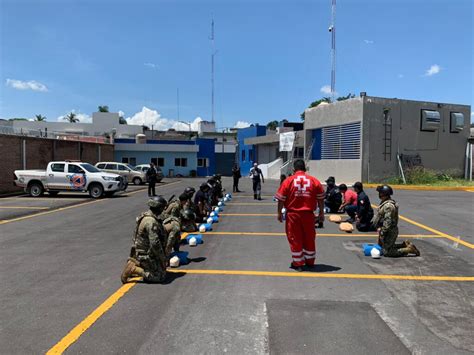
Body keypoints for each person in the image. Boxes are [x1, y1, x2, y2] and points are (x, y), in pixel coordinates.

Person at [275, 159, 325, 271]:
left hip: (293, 215)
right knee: (309, 237)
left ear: (294, 169)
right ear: (305, 168)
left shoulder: (288, 181)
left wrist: (279, 213)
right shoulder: (314, 181)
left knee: (294, 237)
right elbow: (321, 198)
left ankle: (298, 263)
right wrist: (321, 212)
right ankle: (310, 261)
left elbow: (281, 199)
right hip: (309, 215)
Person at [120, 196, 168, 284]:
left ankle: (136, 263)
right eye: (162, 208)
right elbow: (155, 244)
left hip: (143, 251)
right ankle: (134, 268)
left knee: (163, 271)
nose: (163, 210)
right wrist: (162, 259)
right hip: (146, 254)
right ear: (158, 208)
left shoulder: (147, 215)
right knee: (160, 277)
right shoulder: (151, 222)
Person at [373, 185, 420, 257]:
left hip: (390, 231)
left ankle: (409, 250)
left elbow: (387, 221)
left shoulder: (388, 206)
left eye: (380, 192)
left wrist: (383, 232)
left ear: (383, 194)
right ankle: (404, 245)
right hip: (388, 230)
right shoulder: (386, 203)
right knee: (384, 248)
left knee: (387, 252)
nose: (379, 194)